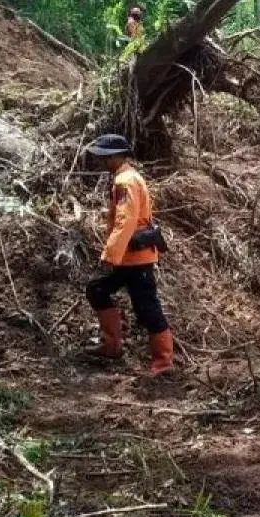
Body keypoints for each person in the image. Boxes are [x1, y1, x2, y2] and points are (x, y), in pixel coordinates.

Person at [82, 134, 173, 377]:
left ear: (116, 157)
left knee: (147, 308)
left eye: (105, 158)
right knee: (97, 289)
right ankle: (111, 346)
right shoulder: (125, 178)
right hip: (127, 258)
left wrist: (109, 254)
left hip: (135, 258)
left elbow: (126, 221)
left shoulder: (125, 181)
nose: (103, 162)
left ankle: (163, 363)